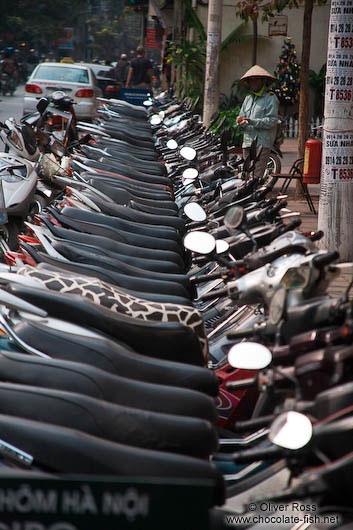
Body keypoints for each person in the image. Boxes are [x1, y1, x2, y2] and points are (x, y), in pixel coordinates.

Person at [236, 65, 279, 178]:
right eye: (250, 80)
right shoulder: (248, 98)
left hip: (262, 143)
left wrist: (252, 121)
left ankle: (256, 194)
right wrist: (240, 121)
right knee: (245, 175)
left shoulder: (271, 98)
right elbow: (242, 117)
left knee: (256, 175)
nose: (253, 82)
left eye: (256, 79)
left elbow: (272, 121)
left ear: (263, 81)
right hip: (247, 142)